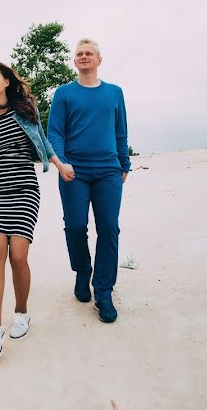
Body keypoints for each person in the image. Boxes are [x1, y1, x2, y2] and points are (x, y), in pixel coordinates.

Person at [0, 61, 69, 360]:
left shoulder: (25, 110)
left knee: (18, 255)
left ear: (6, 81)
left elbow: (42, 141)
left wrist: (59, 164)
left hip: (25, 191)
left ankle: (21, 312)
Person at [48, 38, 130, 323]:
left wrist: (124, 164)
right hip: (74, 170)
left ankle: (104, 290)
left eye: (89, 53)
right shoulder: (64, 94)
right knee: (75, 226)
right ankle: (83, 272)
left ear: (99, 60)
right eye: (79, 54)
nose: (84, 57)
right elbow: (55, 132)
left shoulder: (114, 93)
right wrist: (61, 162)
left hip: (108, 169)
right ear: (75, 61)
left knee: (108, 228)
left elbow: (121, 132)